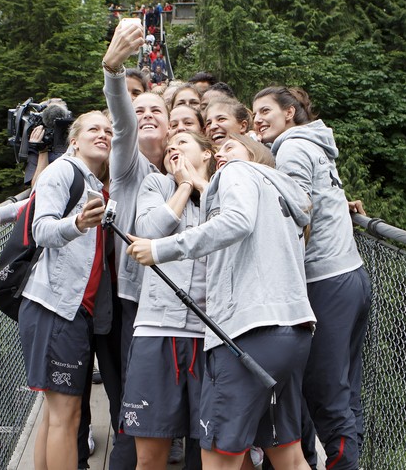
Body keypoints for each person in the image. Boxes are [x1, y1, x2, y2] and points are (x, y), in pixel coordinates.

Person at [127, 133, 317, 470]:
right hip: (294, 332)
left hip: (247, 335)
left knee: (218, 458)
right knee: (288, 455)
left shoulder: (236, 173)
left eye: (230, 146)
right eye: (218, 151)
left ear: (254, 155)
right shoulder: (282, 192)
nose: (221, 154)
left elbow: (236, 222)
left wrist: (159, 249)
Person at [253, 87, 372, 470]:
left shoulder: (292, 148)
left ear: (290, 113)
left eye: (265, 111)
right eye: (254, 113)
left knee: (324, 393)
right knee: (345, 390)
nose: (258, 119)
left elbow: (298, 209)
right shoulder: (314, 143)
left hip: (325, 280)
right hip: (350, 275)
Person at [18, 110, 112, 470]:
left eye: (107, 130)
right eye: (93, 129)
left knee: (56, 413)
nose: (102, 134)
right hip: (56, 307)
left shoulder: (92, 181)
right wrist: (76, 224)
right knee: (66, 416)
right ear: (74, 140)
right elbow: (41, 229)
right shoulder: (62, 172)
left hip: (71, 309)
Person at [121, 131, 216, 469]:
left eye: (183, 143)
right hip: (156, 328)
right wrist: (183, 186)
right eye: (169, 146)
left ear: (207, 154)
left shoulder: (225, 187)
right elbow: (147, 233)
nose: (173, 149)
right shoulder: (157, 185)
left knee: (214, 454)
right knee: (149, 457)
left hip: (212, 334)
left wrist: (200, 185)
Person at [102, 18, 170, 470]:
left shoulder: (186, 173)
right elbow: (123, 126)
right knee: (135, 403)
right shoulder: (128, 168)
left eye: (155, 112)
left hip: (187, 306)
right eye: (138, 108)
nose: (144, 116)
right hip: (135, 302)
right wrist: (113, 70)